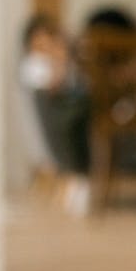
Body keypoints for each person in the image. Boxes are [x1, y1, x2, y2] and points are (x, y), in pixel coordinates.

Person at [20, 13, 92, 215]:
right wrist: (60, 57)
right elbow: (55, 86)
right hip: (59, 119)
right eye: (41, 37)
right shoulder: (33, 65)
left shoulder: (53, 60)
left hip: (66, 113)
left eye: (49, 36)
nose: (46, 42)